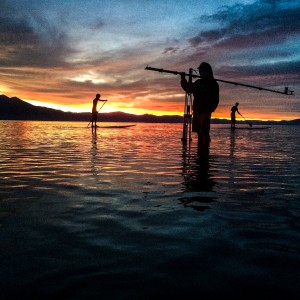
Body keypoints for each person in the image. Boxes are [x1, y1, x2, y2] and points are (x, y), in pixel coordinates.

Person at [180, 62, 219, 148]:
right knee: (198, 132)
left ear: (208, 71)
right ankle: (200, 151)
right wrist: (183, 79)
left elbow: (216, 100)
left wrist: (210, 109)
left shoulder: (213, 84)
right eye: (200, 71)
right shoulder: (198, 82)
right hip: (197, 111)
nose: (201, 72)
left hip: (206, 111)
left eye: (203, 70)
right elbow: (188, 88)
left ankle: (205, 151)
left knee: (204, 132)